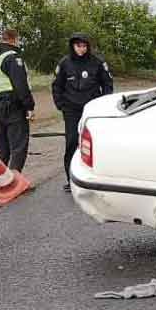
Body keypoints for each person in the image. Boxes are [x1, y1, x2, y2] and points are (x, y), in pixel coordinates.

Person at [52, 33, 114, 192]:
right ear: (73, 46)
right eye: (78, 46)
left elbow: (107, 84)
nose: (81, 49)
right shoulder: (65, 63)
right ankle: (71, 180)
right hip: (71, 109)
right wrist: (60, 104)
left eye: (84, 46)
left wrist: (104, 105)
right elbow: (57, 86)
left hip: (92, 110)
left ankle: (96, 178)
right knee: (72, 143)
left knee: (94, 143)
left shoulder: (97, 62)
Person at [0, 29, 36, 172]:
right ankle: (14, 181)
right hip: (13, 105)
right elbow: (21, 85)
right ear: (15, 39)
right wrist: (29, 106)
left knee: (3, 145)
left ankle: (2, 179)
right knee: (18, 146)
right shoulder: (12, 57)